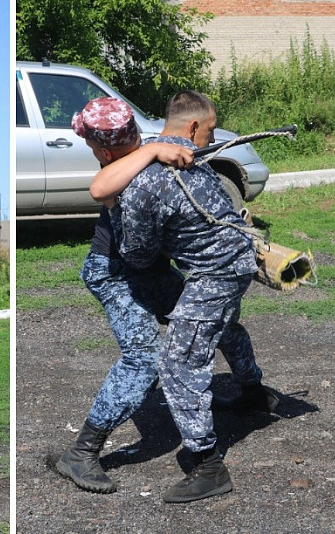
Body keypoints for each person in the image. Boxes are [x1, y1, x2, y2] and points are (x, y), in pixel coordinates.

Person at [86, 91, 274, 503]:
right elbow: (101, 188)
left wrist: (167, 244)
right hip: (225, 266)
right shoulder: (183, 155)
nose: (207, 139)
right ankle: (254, 393)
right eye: (207, 131)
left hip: (211, 273)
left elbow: (136, 253)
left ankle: (209, 467)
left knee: (175, 360)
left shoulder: (150, 173)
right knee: (217, 330)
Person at [55, 97, 185, 494]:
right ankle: (81, 452)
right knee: (144, 359)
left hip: (149, 267)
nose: (93, 154)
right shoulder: (123, 163)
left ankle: (250, 390)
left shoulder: (138, 149)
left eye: (93, 147)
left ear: (108, 146)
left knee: (213, 314)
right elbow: (100, 188)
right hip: (112, 273)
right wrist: (151, 150)